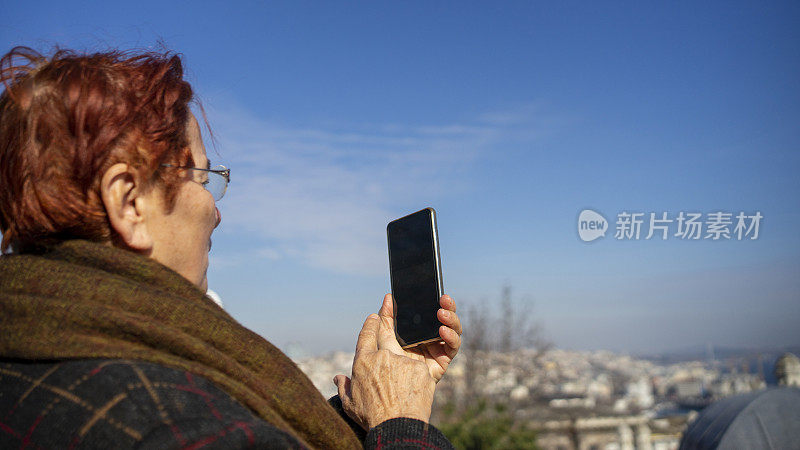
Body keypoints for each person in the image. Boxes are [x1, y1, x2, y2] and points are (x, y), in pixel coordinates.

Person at [0, 46, 462, 449]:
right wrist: (401, 422)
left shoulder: (33, 346)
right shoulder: (172, 422)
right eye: (202, 178)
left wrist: (365, 409)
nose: (216, 211)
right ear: (129, 202)